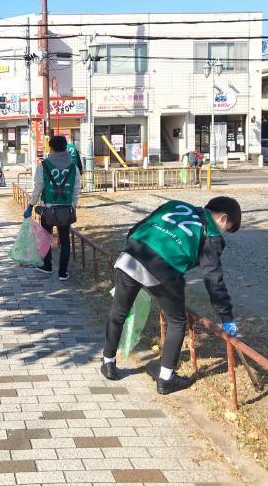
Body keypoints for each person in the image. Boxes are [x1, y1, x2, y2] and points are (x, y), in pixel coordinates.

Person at [101, 196, 242, 395]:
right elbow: (213, 279)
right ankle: (166, 379)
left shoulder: (176, 205)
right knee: (177, 321)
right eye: (227, 228)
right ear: (223, 218)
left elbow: (138, 227)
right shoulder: (211, 234)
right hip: (163, 270)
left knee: (118, 311)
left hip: (130, 255)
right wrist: (227, 318)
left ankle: (108, 362)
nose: (223, 231)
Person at [23, 135, 80, 281]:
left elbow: (38, 187)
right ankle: (62, 273)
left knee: (45, 238)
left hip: (47, 209)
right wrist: (73, 206)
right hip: (66, 210)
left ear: (52, 148)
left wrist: (30, 205)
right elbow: (76, 189)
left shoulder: (44, 165)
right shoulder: (73, 167)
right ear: (65, 148)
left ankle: (47, 266)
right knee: (65, 241)